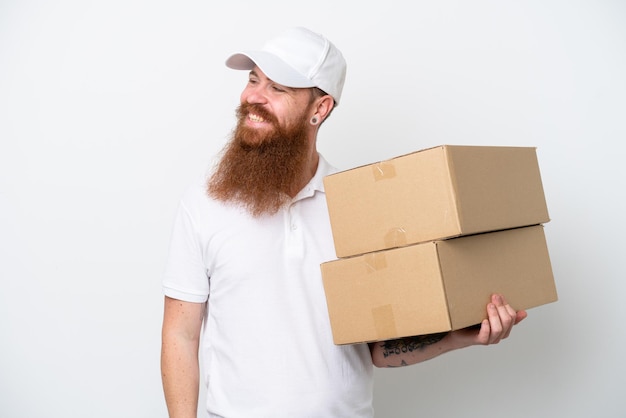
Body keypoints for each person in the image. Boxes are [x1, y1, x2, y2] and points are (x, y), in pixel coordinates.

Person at [160, 26, 527, 418]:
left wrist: (460, 335)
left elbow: (377, 349)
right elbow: (180, 334)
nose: (253, 97)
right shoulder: (205, 202)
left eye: (277, 88)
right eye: (253, 80)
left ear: (320, 109)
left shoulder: (360, 209)